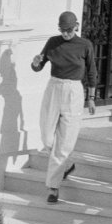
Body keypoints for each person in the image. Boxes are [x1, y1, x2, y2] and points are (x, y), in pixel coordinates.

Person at [31, 11, 97, 203]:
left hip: (73, 91)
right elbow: (38, 65)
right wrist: (35, 63)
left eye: (69, 30)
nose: (66, 34)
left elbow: (92, 71)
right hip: (54, 87)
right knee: (46, 136)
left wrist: (91, 98)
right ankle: (64, 166)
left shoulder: (85, 45)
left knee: (65, 139)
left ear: (76, 26)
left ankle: (53, 188)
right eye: (62, 30)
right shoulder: (53, 42)